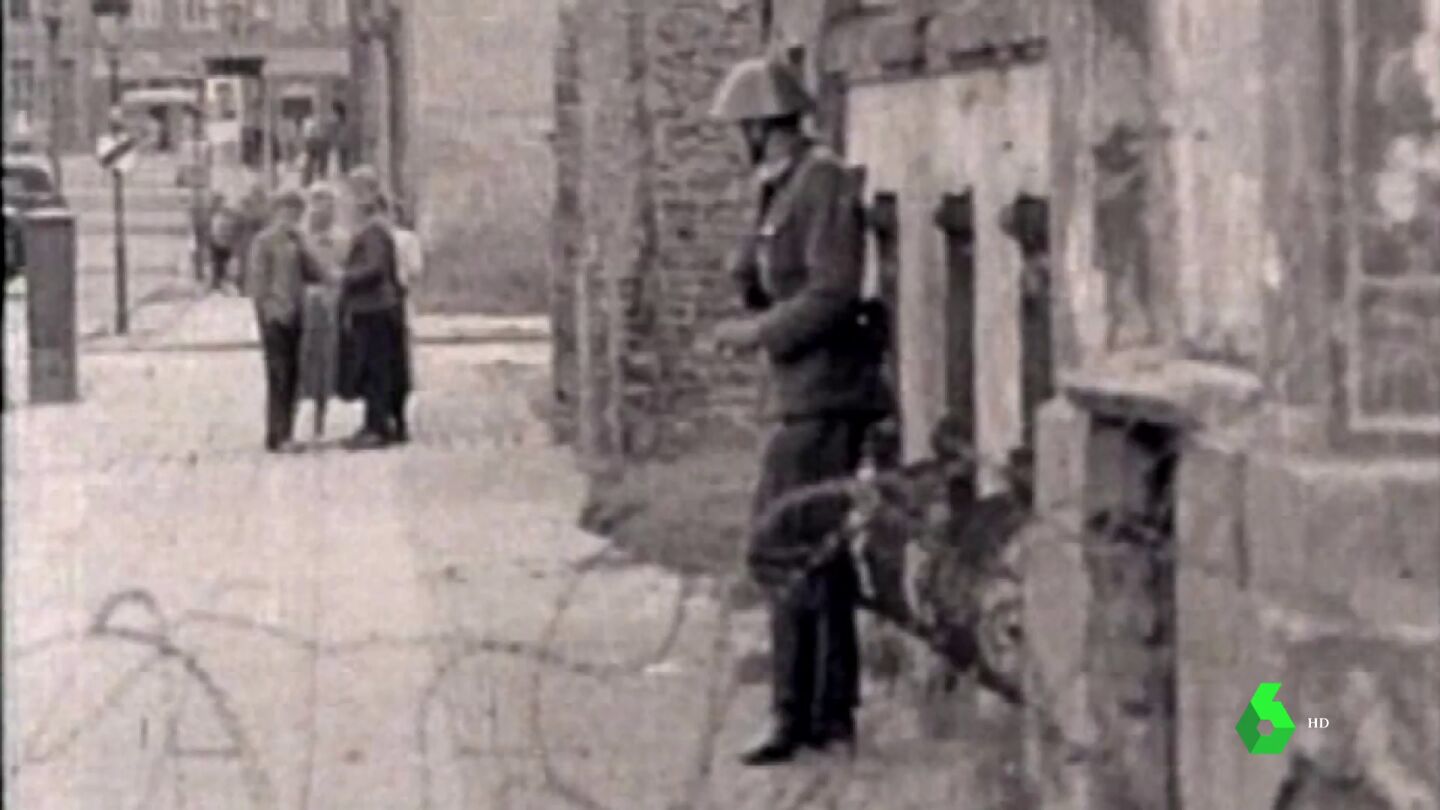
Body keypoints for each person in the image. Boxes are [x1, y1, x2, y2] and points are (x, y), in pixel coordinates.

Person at [707, 55, 889, 766]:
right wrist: (749, 242)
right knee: (815, 553)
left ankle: (798, 713)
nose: (739, 142)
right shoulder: (782, 190)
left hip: (827, 396)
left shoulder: (824, 183)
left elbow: (833, 291)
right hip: (800, 396)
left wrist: (759, 333)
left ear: (764, 127)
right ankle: (825, 711)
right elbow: (762, 281)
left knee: (785, 548)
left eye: (743, 130)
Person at [247, 189, 324, 453]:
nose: (291, 218)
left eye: (296, 213)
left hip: (297, 313)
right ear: (277, 211)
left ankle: (285, 432)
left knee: (293, 375)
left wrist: (306, 247)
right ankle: (278, 434)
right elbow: (258, 281)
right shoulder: (264, 241)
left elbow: (316, 273)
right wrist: (267, 311)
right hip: (275, 316)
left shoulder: (298, 241)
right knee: (279, 375)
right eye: (287, 211)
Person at [339, 167, 410, 449]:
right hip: (377, 306)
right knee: (379, 367)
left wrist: (344, 277)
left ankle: (377, 427)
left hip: (373, 307)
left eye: (356, 193)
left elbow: (375, 268)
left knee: (375, 368)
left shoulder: (373, 230)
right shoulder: (376, 227)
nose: (351, 200)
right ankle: (380, 423)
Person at [296, 182, 349, 440]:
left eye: (327, 204)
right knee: (300, 361)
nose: (321, 209)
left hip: (331, 305)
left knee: (327, 361)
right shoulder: (299, 237)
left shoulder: (342, 238)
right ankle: (292, 416)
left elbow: (347, 268)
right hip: (303, 305)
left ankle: (321, 415)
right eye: (316, 203)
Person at [208, 192, 241, 292]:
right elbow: (214, 230)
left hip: (224, 244)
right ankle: (217, 284)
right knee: (218, 265)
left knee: (222, 265)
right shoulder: (217, 216)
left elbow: (231, 230)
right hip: (219, 244)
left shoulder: (225, 217)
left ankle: (220, 284)